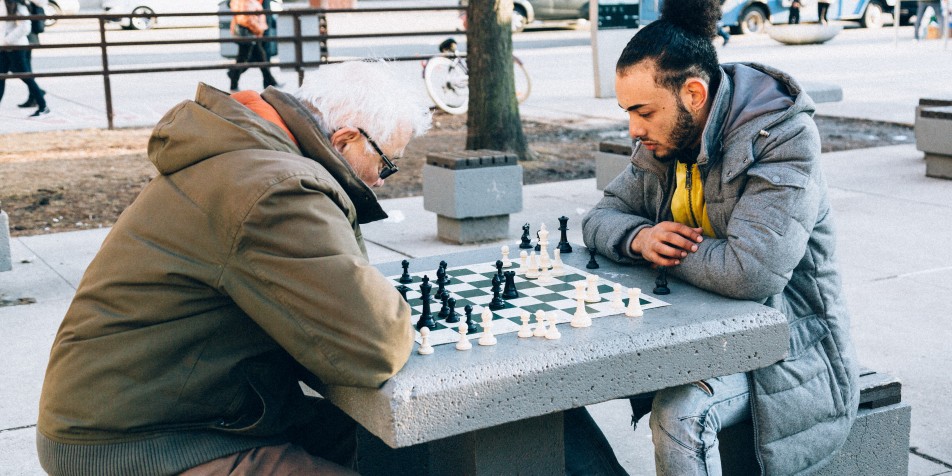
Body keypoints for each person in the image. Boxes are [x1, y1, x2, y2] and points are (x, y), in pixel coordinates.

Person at [36, 60, 432, 474]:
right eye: (387, 163)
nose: (384, 181)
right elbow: (373, 347)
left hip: (147, 408)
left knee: (379, 440)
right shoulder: (276, 188)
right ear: (347, 139)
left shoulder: (245, 150)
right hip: (139, 440)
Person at [580, 0, 859, 474]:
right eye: (628, 111)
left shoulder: (783, 136)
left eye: (643, 111)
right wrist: (641, 238)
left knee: (680, 414)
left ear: (693, 93)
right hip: (704, 332)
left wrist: (665, 255)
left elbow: (752, 272)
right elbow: (599, 217)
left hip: (790, 346)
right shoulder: (667, 139)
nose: (634, 128)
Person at [1, 0, 48, 116]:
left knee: (26, 76)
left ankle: (43, 106)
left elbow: (26, 26)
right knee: (1, 77)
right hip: (4, 47)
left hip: (16, 46)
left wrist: (6, 40)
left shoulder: (16, 3)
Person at [228, 0, 279, 91]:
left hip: (250, 32)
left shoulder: (249, 1)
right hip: (249, 33)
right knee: (244, 58)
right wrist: (258, 30)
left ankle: (270, 81)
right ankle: (233, 77)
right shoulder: (247, 2)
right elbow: (247, 19)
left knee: (259, 56)